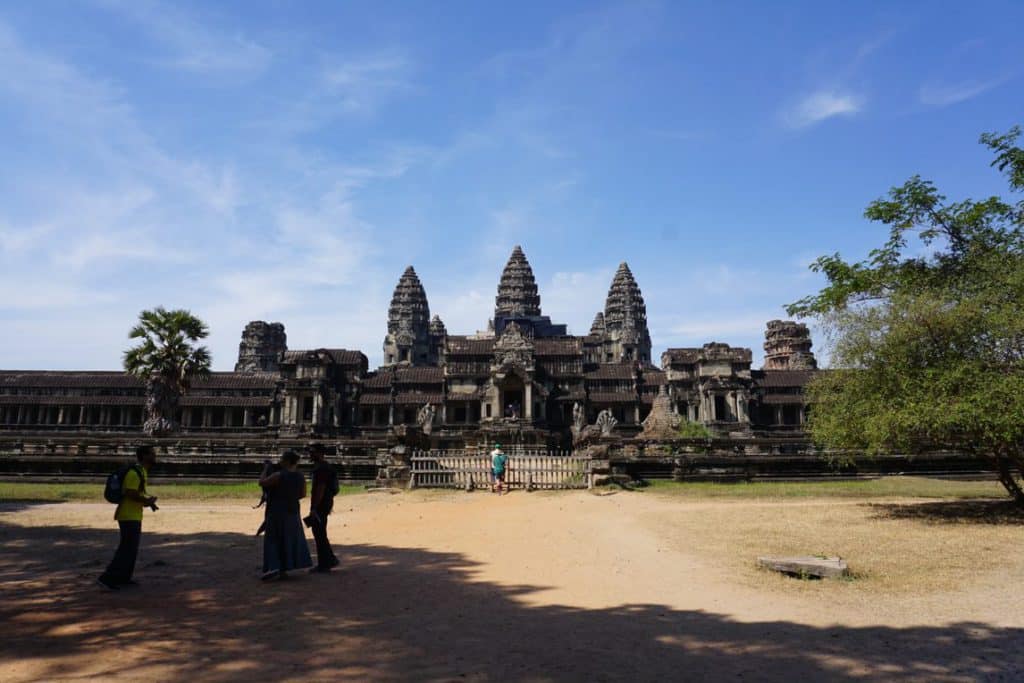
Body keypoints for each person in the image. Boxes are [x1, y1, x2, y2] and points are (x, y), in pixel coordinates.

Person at [97, 445, 158, 590]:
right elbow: (130, 493)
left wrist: (147, 501)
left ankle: (124, 577)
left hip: (134, 514)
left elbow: (136, 492)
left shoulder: (142, 471)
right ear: (144, 456)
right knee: (126, 549)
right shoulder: (134, 473)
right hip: (127, 515)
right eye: (152, 454)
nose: (155, 456)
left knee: (131, 549)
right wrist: (146, 501)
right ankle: (107, 578)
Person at [259, 450, 312, 580]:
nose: (280, 461)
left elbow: (262, 482)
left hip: (277, 510)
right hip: (292, 510)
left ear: (287, 461)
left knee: (273, 538)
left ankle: (275, 566)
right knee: (289, 539)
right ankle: (285, 567)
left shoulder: (279, 475)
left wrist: (266, 468)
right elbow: (303, 494)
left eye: (282, 459)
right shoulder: (300, 476)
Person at [307, 443, 340, 573]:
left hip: (321, 504)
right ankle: (328, 560)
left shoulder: (321, 469)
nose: (310, 454)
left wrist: (314, 507)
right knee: (320, 533)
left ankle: (326, 563)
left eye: (313, 452)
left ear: (320, 453)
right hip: (325, 503)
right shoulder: (324, 467)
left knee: (319, 533)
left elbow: (320, 488)